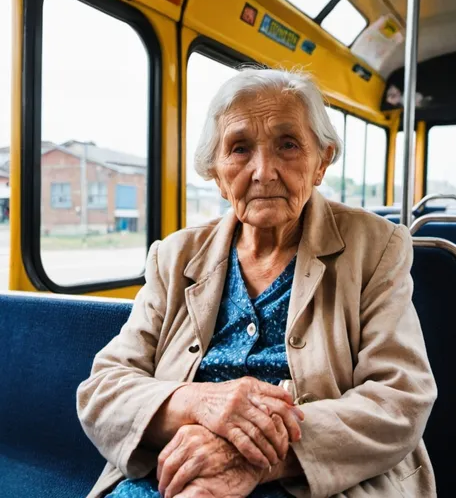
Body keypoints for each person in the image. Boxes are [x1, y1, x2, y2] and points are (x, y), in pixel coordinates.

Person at [77, 67, 437, 498]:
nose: (263, 171)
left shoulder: (377, 247)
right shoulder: (173, 257)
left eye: (287, 145)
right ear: (216, 171)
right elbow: (103, 391)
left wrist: (253, 455)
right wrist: (198, 404)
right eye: (240, 148)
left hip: (317, 479)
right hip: (176, 467)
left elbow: (400, 398)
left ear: (321, 161)